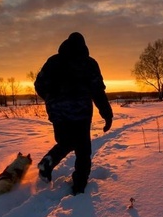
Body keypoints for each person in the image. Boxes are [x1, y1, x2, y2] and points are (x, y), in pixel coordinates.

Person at [34, 32, 113, 195]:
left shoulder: (53, 61)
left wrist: (51, 99)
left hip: (58, 111)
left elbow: (39, 84)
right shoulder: (89, 64)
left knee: (66, 141)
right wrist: (107, 114)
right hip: (80, 111)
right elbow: (97, 91)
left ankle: (48, 162)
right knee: (83, 148)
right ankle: (79, 187)